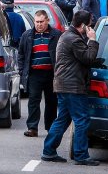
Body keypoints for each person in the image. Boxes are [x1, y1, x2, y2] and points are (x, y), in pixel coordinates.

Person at [41, 10, 103, 165]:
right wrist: (93, 40)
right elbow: (88, 58)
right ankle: (81, 155)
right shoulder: (74, 39)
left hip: (64, 84)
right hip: (72, 85)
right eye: (89, 25)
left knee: (63, 119)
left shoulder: (68, 35)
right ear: (83, 25)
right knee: (82, 119)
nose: (91, 28)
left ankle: (48, 151)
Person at [18, 10, 62, 138]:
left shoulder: (56, 35)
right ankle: (32, 128)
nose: (39, 25)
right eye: (37, 22)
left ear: (47, 20)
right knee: (33, 100)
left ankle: (50, 128)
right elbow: (21, 55)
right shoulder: (27, 35)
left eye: (41, 22)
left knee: (51, 101)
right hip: (34, 74)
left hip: (51, 73)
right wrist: (22, 71)